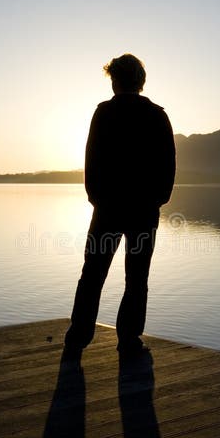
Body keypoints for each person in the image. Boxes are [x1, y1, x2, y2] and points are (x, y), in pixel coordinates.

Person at [63, 53, 175, 361]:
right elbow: (168, 164)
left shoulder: (104, 113)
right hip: (143, 211)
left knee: (93, 273)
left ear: (115, 81)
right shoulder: (157, 115)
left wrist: (95, 197)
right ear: (140, 82)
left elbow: (91, 159)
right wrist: (158, 199)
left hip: (108, 209)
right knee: (136, 278)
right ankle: (128, 340)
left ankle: (78, 336)